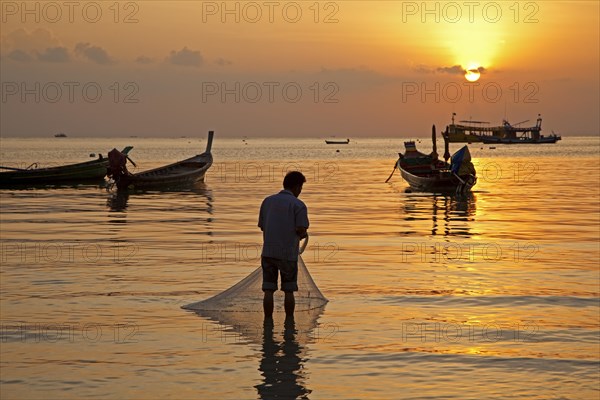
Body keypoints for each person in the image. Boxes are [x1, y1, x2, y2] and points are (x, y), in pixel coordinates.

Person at [258, 171, 309, 320]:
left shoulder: (267, 201)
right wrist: (303, 234)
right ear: (297, 187)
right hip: (287, 254)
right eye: (301, 188)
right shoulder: (298, 205)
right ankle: (289, 323)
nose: (300, 191)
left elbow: (263, 226)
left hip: (268, 252)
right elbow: (301, 229)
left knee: (268, 290)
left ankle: (268, 321)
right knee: (289, 290)